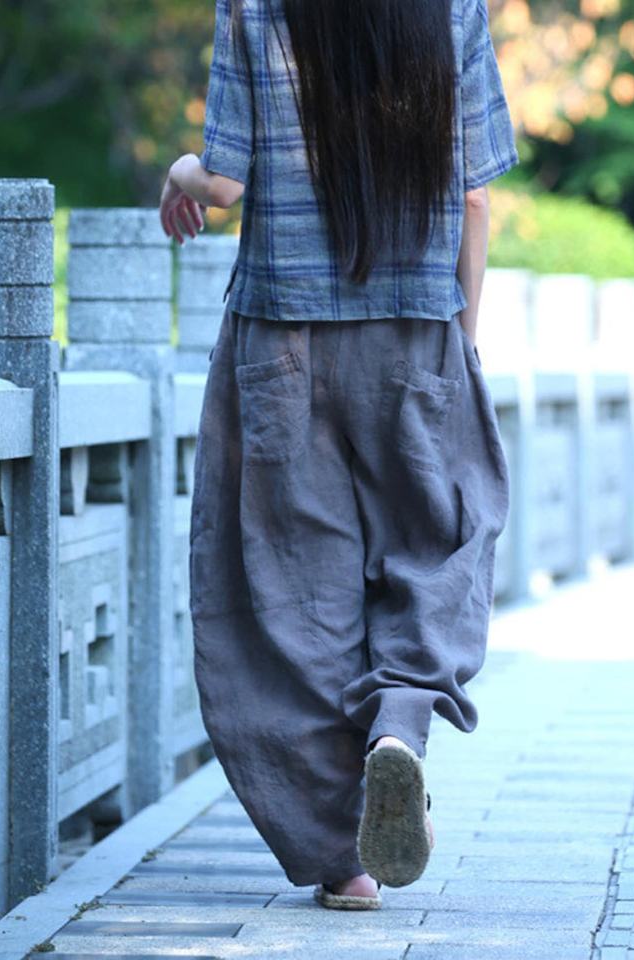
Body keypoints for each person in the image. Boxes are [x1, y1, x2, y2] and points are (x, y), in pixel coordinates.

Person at [159, 0, 517, 910]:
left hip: (281, 338)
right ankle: (399, 727)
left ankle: (343, 861)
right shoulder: (450, 10)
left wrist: (177, 171)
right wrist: (461, 339)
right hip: (416, 330)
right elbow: (475, 195)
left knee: (291, 587)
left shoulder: (253, 9)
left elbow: (223, 184)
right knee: (439, 544)